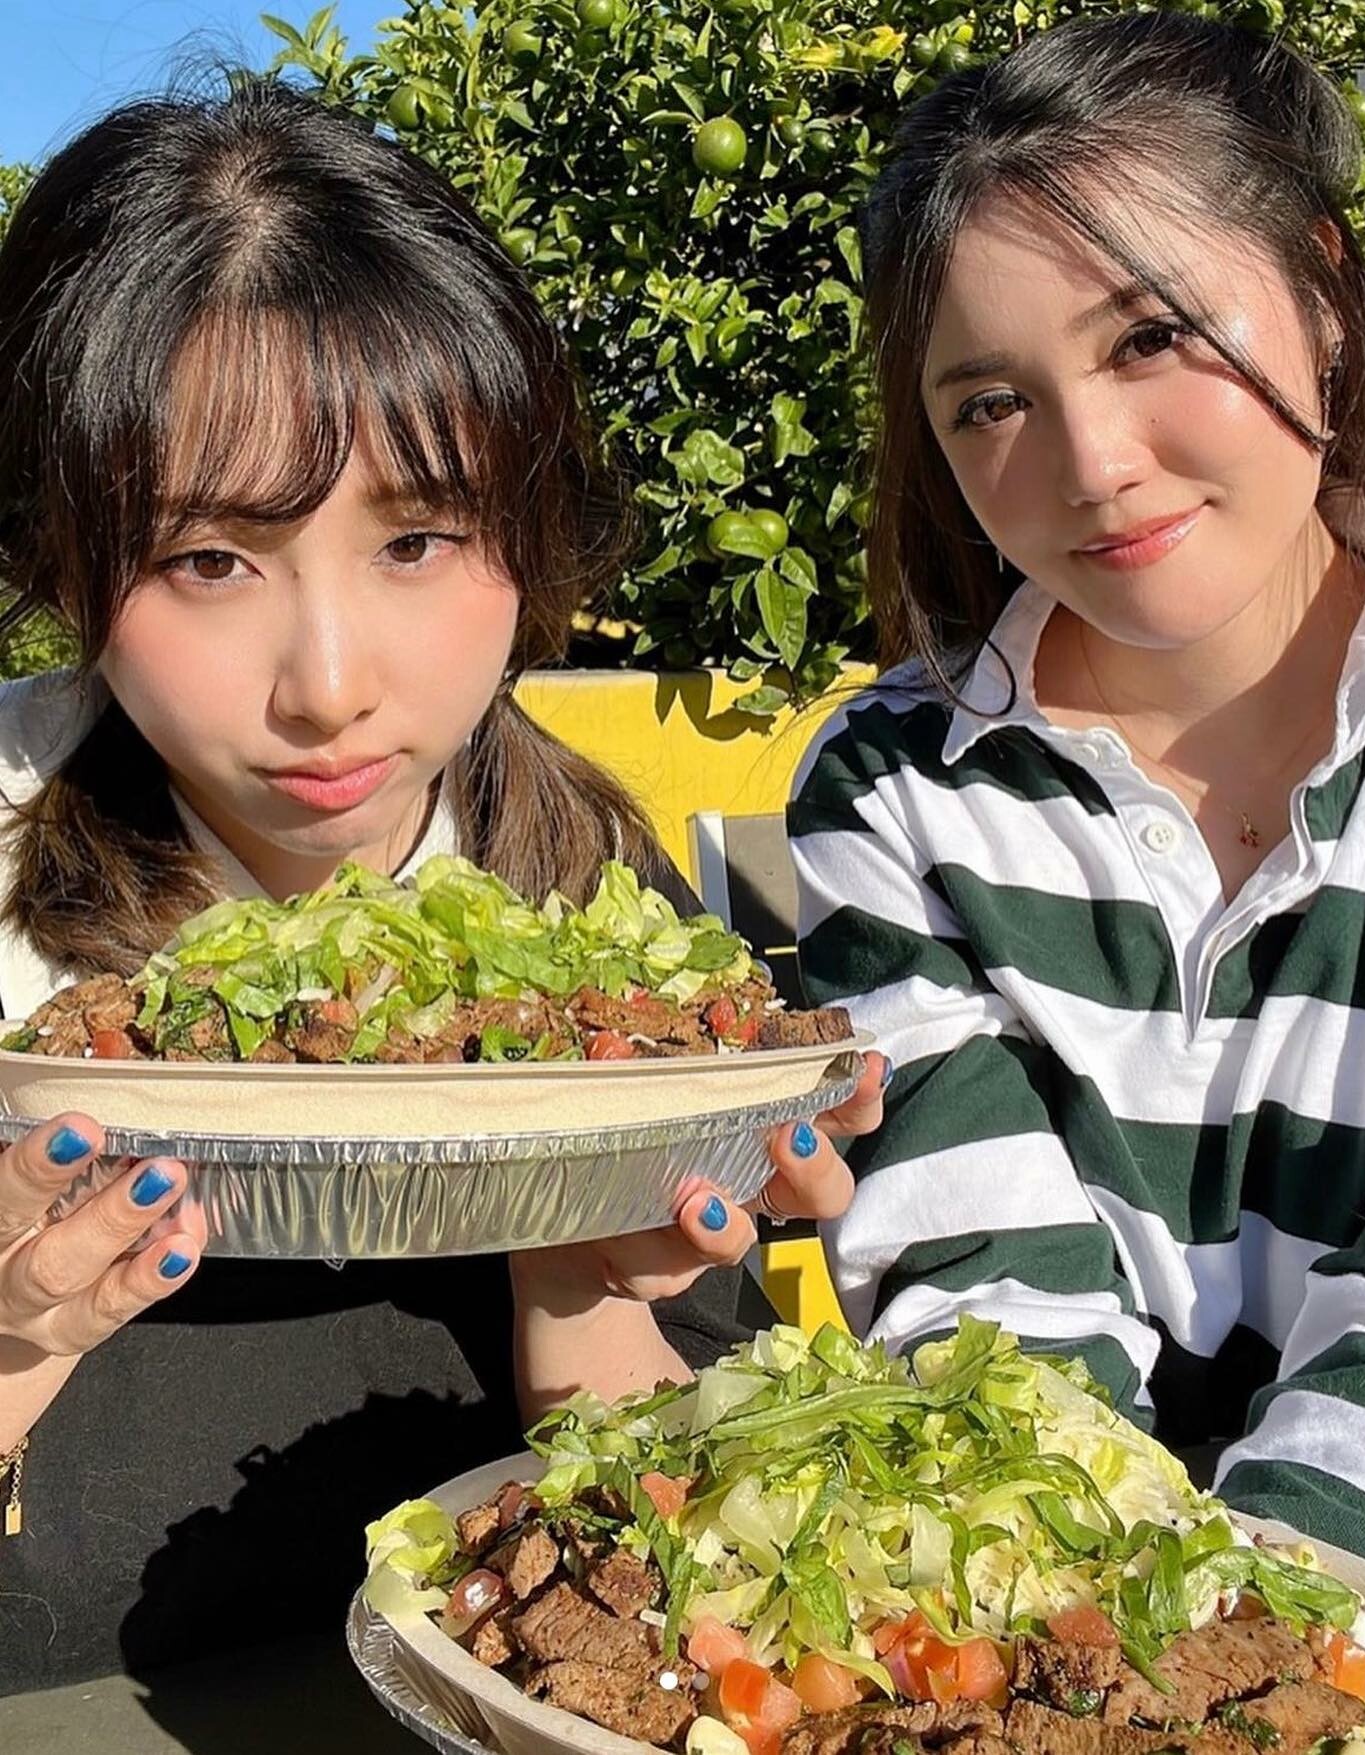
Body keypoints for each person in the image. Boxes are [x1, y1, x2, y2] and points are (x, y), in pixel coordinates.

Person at [0, 81, 883, 1692]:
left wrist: (583, 1274)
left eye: (415, 542)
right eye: (207, 560)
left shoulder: (595, 907)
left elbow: (643, 1612)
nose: (331, 688)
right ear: (67, 559)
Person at [790, 10, 1365, 1585]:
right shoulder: (896, 791)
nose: (1090, 463)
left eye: (1151, 338)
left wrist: (1266, 1657)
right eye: (990, 402)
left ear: (1324, 294)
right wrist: (1107, 1638)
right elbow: (991, 1315)